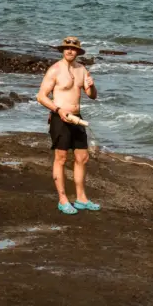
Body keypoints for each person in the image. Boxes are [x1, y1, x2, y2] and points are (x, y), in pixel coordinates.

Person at [36, 36, 100, 215]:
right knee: (61, 158)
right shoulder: (55, 70)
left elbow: (92, 95)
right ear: (63, 50)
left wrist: (92, 87)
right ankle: (63, 200)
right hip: (60, 118)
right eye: (66, 48)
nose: (70, 51)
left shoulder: (82, 70)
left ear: (78, 52)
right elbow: (41, 96)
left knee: (82, 157)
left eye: (73, 49)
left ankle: (81, 199)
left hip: (77, 118)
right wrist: (58, 110)